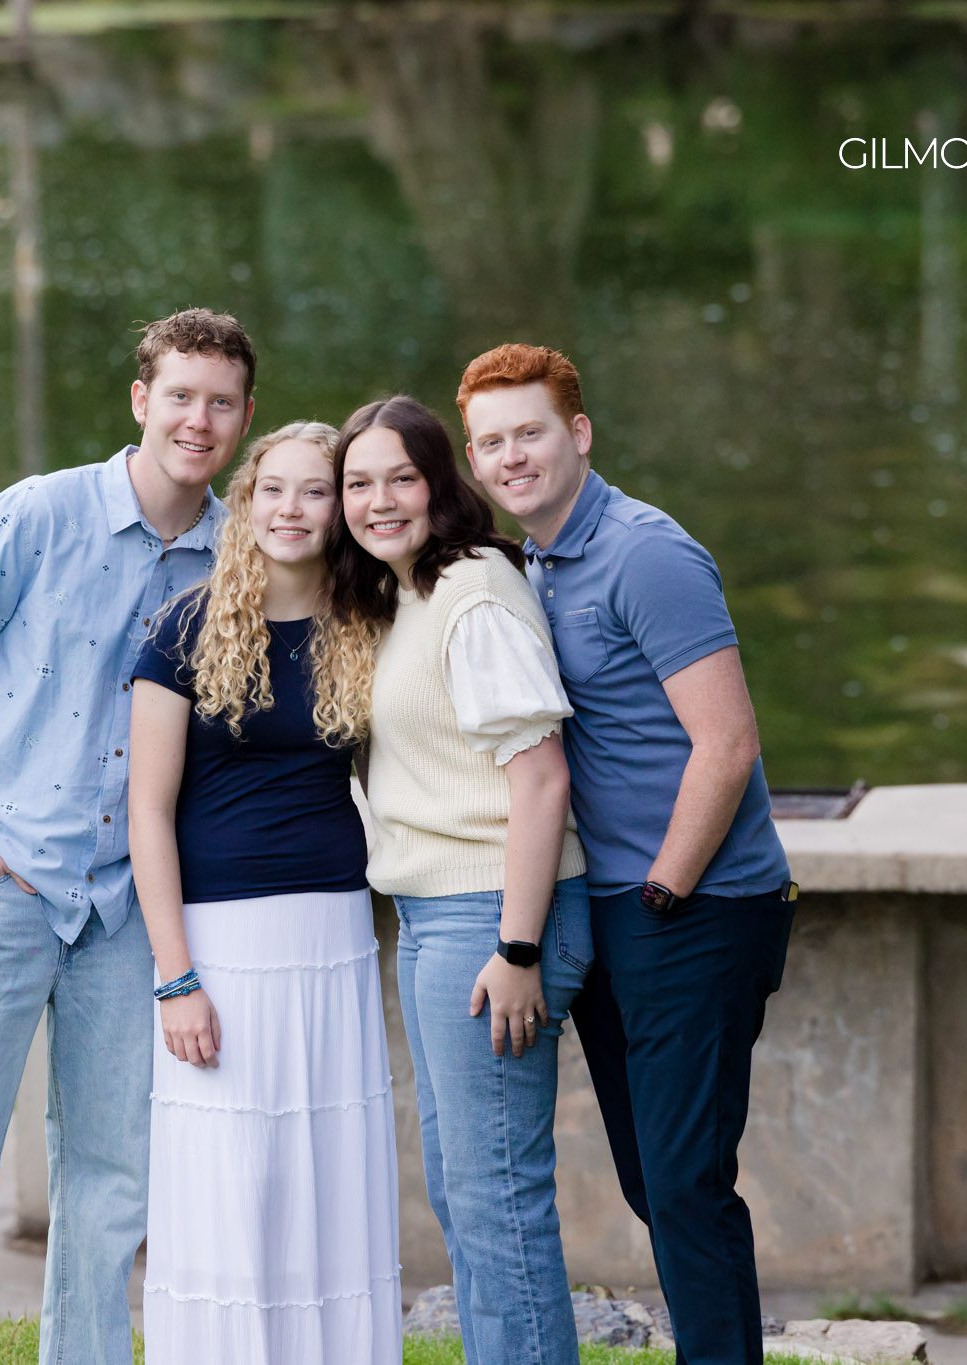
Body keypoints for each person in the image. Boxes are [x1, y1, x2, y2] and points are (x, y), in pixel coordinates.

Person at [0, 308, 255, 1365]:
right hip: (2, 882)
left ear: (243, 417)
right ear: (140, 401)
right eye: (179, 397)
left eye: (219, 403)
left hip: (126, 908)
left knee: (114, 1183)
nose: (197, 421)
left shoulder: (234, 561)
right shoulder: (37, 515)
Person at [456, 343, 796, 1365]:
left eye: (528, 432)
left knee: (685, 1181)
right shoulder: (531, 564)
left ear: (578, 434)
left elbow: (726, 743)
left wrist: (662, 889)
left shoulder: (647, 553)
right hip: (609, 909)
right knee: (655, 1179)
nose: (510, 457)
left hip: (694, 905)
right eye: (489, 443)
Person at [128, 421, 402, 1364]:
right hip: (218, 947)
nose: (292, 509)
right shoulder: (182, 627)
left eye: (315, 491)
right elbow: (147, 814)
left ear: (342, 508)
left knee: (328, 1178)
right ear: (245, 503)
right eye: (273, 490)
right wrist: (175, 977)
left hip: (331, 935)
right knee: (227, 1183)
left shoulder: (368, 626)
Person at [331, 393, 589, 1365]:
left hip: (491, 916)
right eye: (359, 482)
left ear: (442, 484)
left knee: (497, 1204)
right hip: (439, 915)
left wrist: (516, 949)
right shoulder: (404, 594)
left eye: (401, 476)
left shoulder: (472, 590)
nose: (378, 499)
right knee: (464, 1192)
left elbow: (539, 778)